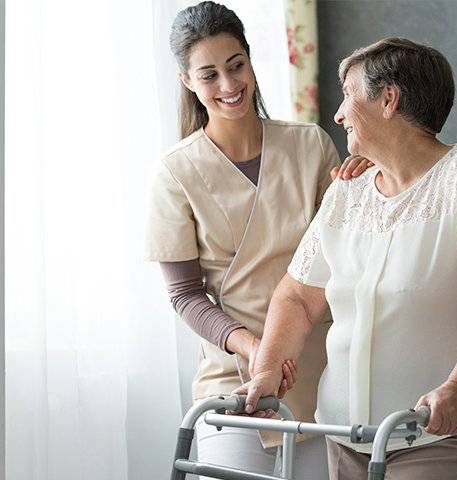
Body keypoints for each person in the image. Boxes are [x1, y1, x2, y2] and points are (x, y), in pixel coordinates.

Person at [236, 37, 457, 480]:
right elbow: (298, 297)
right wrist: (267, 370)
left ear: (388, 99)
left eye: (348, 96)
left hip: (433, 429)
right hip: (344, 430)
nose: (338, 113)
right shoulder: (348, 191)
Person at [143, 2, 369, 478]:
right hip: (232, 383)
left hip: (316, 377)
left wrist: (367, 183)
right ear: (187, 81)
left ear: (249, 59)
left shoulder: (310, 145)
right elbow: (185, 295)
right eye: (209, 75)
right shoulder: (175, 172)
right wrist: (253, 346)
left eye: (236, 66)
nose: (228, 86)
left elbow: (350, 254)